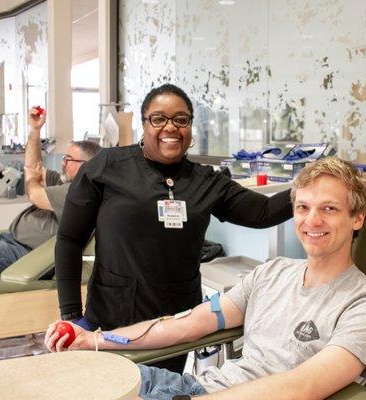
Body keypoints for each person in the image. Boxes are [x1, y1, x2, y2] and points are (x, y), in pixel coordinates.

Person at [45, 156, 366, 400]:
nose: (312, 221)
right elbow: (186, 324)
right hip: (193, 387)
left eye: (330, 209)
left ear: (358, 218)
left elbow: (301, 387)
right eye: (303, 208)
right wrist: (93, 340)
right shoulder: (271, 273)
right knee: (63, 382)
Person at [54, 83, 293, 372]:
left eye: (181, 119)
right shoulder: (108, 165)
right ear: (145, 124)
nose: (171, 127)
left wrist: (313, 185)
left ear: (190, 127)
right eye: (158, 118)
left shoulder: (206, 181)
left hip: (176, 322)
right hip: (111, 315)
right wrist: (71, 314)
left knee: (164, 389)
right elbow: (69, 239)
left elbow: (263, 212)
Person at [0, 107, 101, 274]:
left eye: (68, 159)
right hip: (8, 238)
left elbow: (35, 195)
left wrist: (31, 178)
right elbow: (32, 166)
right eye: (63, 157)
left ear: (87, 166)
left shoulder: (81, 193)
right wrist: (35, 130)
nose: (62, 163)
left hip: (24, 255)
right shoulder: (65, 181)